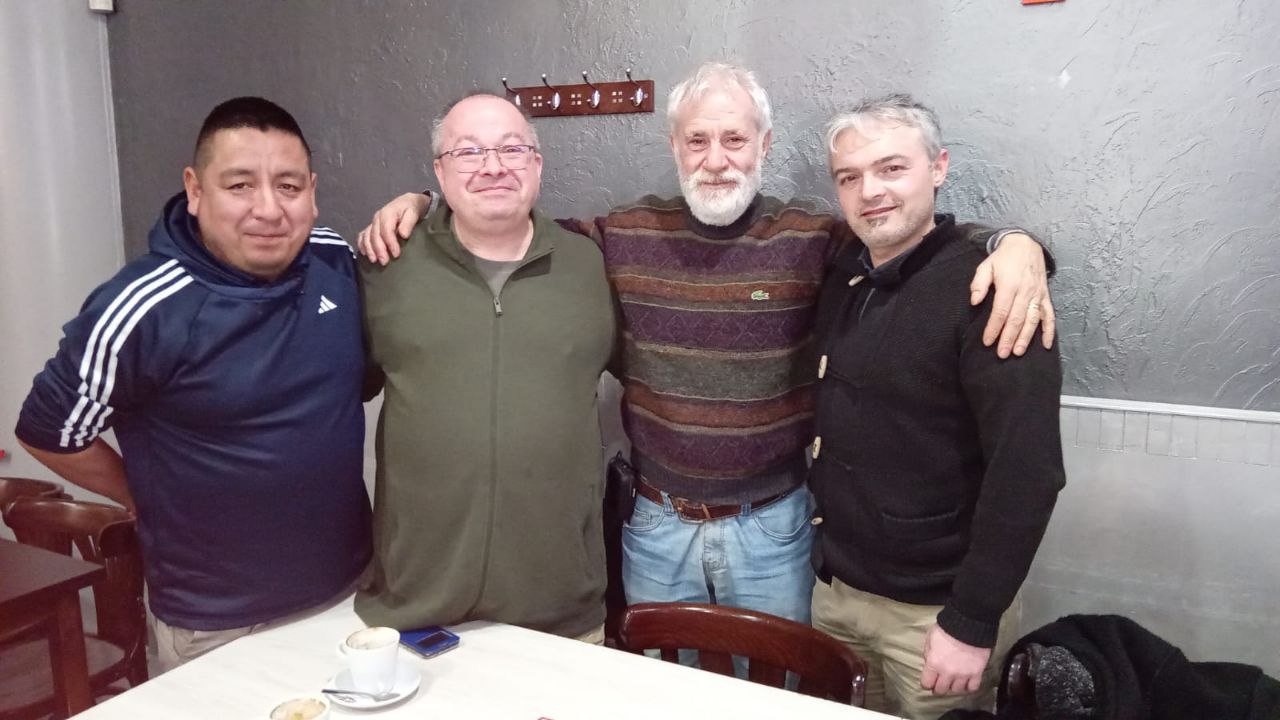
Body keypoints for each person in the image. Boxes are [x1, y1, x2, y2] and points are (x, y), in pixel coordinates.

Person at [358, 62, 1055, 626]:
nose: (716, 160)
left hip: (774, 530)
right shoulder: (621, 235)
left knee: (775, 695)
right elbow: (503, 222)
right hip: (656, 528)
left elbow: (904, 235)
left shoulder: (813, 237)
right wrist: (424, 201)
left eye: (734, 140)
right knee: (666, 692)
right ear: (674, 147)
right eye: (697, 141)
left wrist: (1015, 244)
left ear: (764, 146)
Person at [15, 97, 372, 670]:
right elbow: (47, 432)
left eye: (288, 186)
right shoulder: (139, 307)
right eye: (239, 185)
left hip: (356, 588)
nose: (268, 209)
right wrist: (139, 494)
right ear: (195, 190)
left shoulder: (336, 260)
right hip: (218, 623)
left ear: (312, 191)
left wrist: (418, 201)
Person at [807, 94, 1065, 718]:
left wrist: (972, 620)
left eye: (892, 168)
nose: (870, 191)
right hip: (836, 595)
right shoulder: (843, 272)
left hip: (934, 619)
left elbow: (1027, 472)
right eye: (849, 177)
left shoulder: (993, 289)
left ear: (939, 167)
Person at [353, 94, 617, 641]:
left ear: (537, 164)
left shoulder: (589, 263)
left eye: (512, 149)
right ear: (439, 172)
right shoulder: (386, 265)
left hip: (560, 606)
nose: (493, 166)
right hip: (418, 605)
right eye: (469, 152)